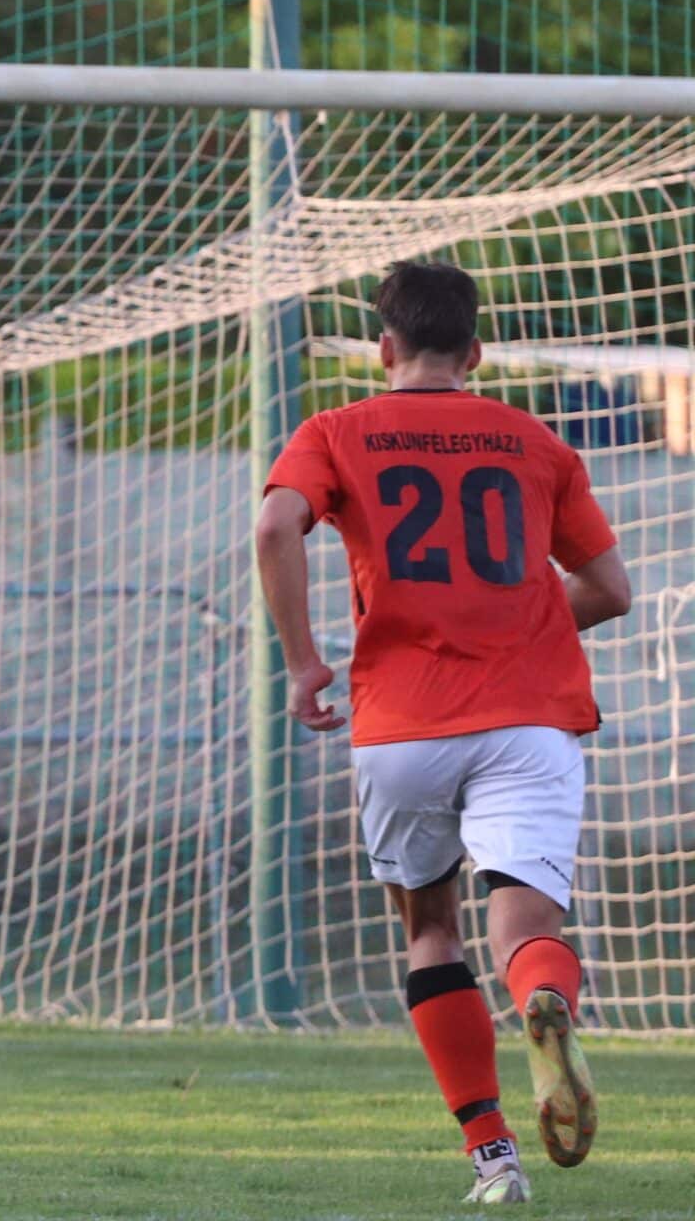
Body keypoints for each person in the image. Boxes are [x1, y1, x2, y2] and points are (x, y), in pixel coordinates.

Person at [255, 260, 632, 1204]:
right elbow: (611, 590)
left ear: (385, 348)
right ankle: (543, 998)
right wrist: (518, 627)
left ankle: (493, 1157)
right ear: (476, 353)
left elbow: (273, 528)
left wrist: (303, 663)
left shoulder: (334, 430)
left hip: (403, 724)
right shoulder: (535, 441)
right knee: (525, 924)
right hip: (527, 722)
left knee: (430, 928)